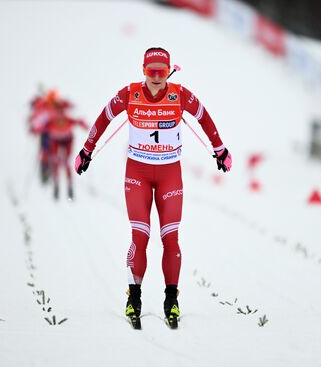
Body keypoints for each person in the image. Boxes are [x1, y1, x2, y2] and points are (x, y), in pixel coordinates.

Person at [74, 47, 232, 328]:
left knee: (170, 238)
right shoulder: (130, 93)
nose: (156, 77)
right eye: (151, 71)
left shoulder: (180, 95)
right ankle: (133, 298)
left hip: (170, 174)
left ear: (169, 71)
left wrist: (219, 149)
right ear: (143, 71)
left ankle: (171, 299)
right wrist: (87, 151)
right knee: (140, 235)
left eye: (161, 71)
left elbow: (204, 117)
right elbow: (103, 118)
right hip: (138, 174)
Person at [32, 89, 88, 199]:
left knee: (65, 162)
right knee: (55, 160)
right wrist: (38, 129)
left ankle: (68, 186)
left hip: (67, 139)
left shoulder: (64, 113)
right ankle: (55, 184)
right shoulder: (48, 114)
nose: (57, 110)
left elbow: (77, 119)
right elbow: (39, 125)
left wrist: (84, 125)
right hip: (55, 139)